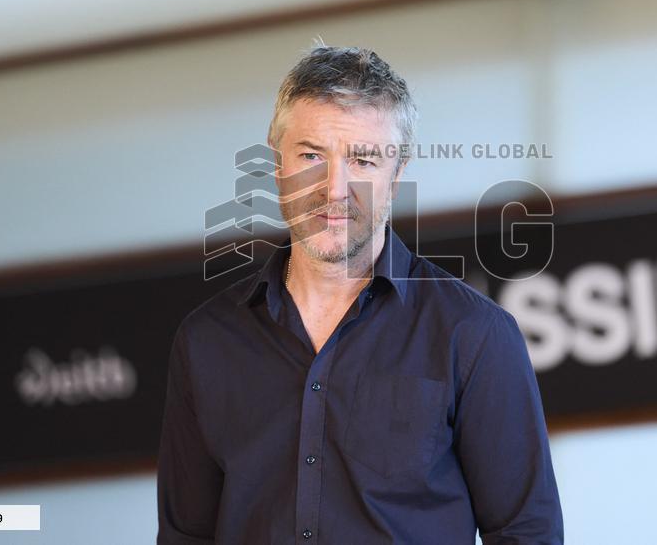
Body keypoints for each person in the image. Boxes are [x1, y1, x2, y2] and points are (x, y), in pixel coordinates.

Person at [156, 44, 563, 544]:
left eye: (364, 160)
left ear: (397, 174)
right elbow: (185, 537)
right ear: (275, 162)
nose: (334, 189)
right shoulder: (206, 342)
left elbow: (527, 534)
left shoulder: (474, 335)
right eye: (311, 155)